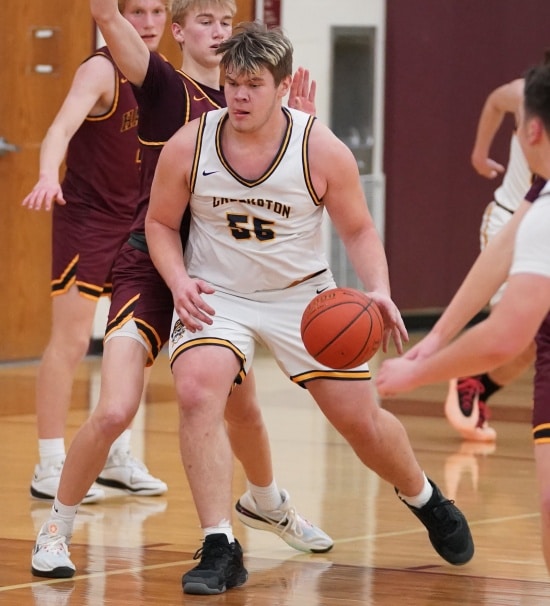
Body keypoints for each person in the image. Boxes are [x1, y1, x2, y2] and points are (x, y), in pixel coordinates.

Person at [145, 21, 474, 596]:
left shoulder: (320, 149)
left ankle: (425, 497)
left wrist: (378, 289)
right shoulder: (190, 144)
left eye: (253, 85)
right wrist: (178, 282)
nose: (239, 96)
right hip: (218, 294)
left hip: (302, 296)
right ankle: (219, 545)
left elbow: (359, 229)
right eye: (232, 83)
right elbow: (160, 223)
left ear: (282, 86)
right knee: (197, 393)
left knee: (360, 423)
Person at [30, 0, 331, 581]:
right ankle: (56, 528)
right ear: (179, 32)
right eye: (205, 22)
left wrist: (298, 131)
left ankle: (268, 503)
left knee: (244, 412)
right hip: (151, 266)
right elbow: (109, 18)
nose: (217, 32)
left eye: (225, 22)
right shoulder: (165, 86)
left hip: (218, 276)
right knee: (114, 408)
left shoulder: (255, 105)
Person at [376, 61, 550, 571]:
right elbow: (500, 253)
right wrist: (434, 340)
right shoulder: (537, 197)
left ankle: (472, 383)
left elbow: (503, 336)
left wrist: (417, 373)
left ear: (529, 131)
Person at [21, 0, 171, 504]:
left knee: (132, 344)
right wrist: (48, 174)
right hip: (87, 218)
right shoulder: (101, 71)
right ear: (117, 17)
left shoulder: (160, 77)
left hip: (137, 220)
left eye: (157, 11)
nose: (147, 23)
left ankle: (117, 455)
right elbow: (59, 129)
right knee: (69, 341)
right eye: (137, 12)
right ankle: (49, 464)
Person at [445, 75, 535, 443]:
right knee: (512, 322)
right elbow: (496, 101)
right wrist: (479, 154)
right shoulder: (526, 93)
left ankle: (475, 383)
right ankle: (457, 364)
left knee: (530, 346)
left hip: (543, 231)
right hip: (508, 222)